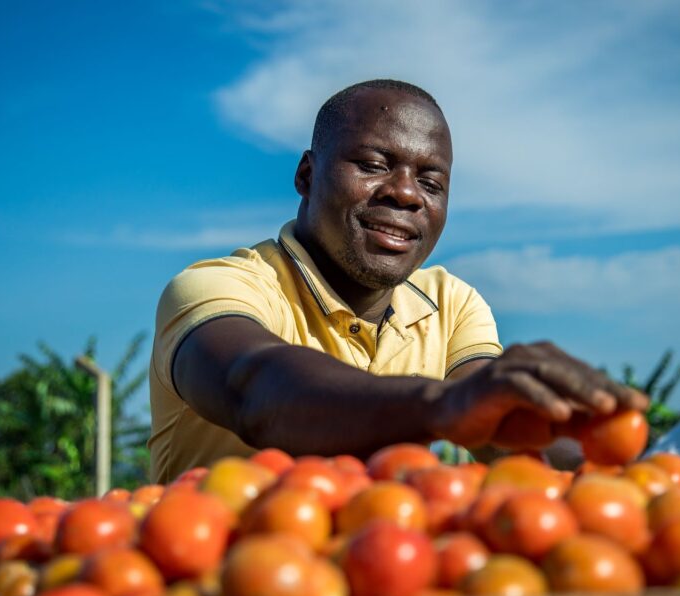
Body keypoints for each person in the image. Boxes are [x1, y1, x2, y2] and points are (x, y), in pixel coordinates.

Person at [148, 79, 647, 483]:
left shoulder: (449, 303)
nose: (406, 194)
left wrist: (595, 443)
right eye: (373, 165)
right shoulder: (219, 288)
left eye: (431, 183)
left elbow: (496, 416)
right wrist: (440, 404)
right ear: (306, 174)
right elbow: (254, 389)